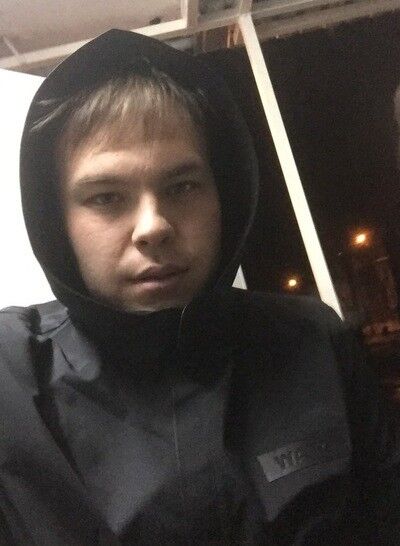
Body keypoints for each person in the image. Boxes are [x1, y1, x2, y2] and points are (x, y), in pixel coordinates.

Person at [0, 29, 398, 545]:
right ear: (58, 222)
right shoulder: (12, 379)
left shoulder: (312, 342)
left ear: (222, 195)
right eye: (106, 197)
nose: (153, 226)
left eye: (182, 186)